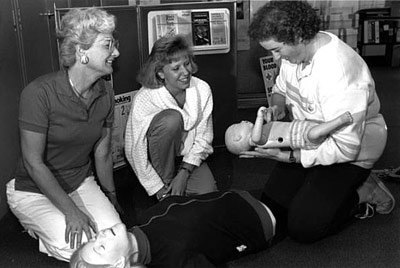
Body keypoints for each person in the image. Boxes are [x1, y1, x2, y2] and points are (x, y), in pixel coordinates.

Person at [242, 0, 395, 243]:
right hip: (308, 140)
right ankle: (325, 185)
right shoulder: (293, 55)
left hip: (352, 150)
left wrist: (290, 157)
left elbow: (345, 147)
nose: (274, 57)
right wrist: (278, 106)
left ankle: (364, 191)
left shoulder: (339, 72)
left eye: (277, 49)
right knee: (274, 208)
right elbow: (280, 88)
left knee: (304, 228)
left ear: (299, 35)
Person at [6, 7, 123, 261]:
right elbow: (33, 163)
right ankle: (37, 227)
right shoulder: (38, 93)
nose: (116, 52)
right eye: (107, 45)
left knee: (117, 238)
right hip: (32, 189)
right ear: (82, 51)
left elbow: (101, 153)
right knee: (81, 248)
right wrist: (71, 212)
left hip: (79, 181)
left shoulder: (106, 93)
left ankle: (54, 225)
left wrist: (111, 196)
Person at [69, 190, 276, 268]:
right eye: (101, 248)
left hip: (236, 196)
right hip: (260, 221)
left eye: (93, 240)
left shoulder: (144, 221)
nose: (100, 235)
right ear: (119, 264)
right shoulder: (176, 256)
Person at [125, 34, 218, 201]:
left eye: (187, 63)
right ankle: (167, 188)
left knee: (209, 193)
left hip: (186, 157)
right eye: (176, 68)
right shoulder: (146, 97)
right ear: (161, 73)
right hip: (158, 160)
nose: (186, 72)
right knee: (172, 119)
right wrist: (157, 187)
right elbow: (134, 147)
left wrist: (184, 173)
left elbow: (204, 136)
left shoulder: (202, 89)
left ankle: (177, 183)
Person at [225, 106, 353, 155]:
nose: (242, 121)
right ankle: (340, 121)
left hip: (297, 129)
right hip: (298, 137)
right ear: (238, 138)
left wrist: (270, 117)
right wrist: (259, 117)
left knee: (316, 129)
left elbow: (273, 128)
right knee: (314, 133)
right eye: (238, 125)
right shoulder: (256, 140)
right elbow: (257, 137)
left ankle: (334, 126)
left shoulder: (263, 134)